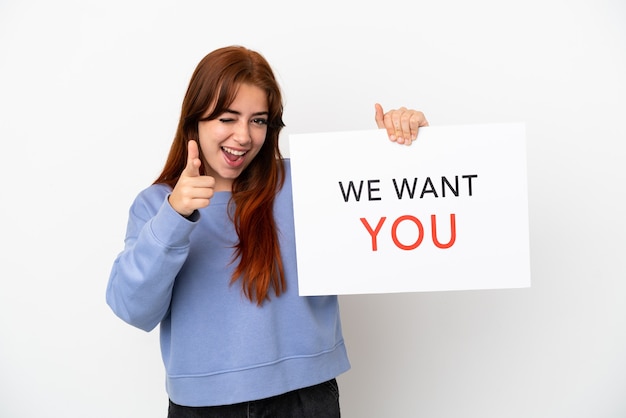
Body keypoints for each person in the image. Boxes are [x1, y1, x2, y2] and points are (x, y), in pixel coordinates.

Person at [106, 45, 428, 417]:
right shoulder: (156, 204)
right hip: (203, 407)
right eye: (228, 118)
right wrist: (175, 216)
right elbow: (132, 308)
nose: (243, 136)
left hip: (305, 398)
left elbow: (396, 212)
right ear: (195, 120)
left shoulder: (306, 182)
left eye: (258, 120)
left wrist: (405, 146)